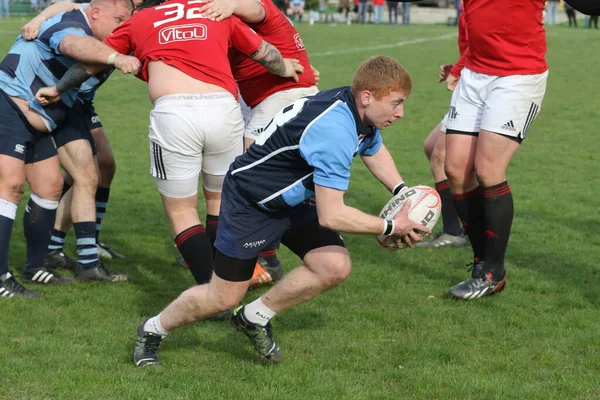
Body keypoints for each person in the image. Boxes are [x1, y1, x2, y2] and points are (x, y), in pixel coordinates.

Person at [127, 55, 430, 367]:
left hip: (294, 199)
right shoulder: (334, 130)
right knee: (222, 298)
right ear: (367, 97)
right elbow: (332, 215)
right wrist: (392, 226)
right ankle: (152, 330)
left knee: (333, 266)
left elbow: (372, 148)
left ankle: (254, 317)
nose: (401, 113)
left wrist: (402, 192)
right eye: (396, 103)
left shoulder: (357, 112)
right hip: (251, 203)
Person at [36, 0, 303, 290]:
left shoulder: (141, 19)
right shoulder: (212, 10)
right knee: (218, 202)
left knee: (181, 211)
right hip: (223, 109)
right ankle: (224, 280)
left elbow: (90, 62)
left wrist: (57, 88)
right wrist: (286, 65)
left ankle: (212, 292)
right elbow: (263, 51)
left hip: (175, 112)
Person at [0, 0, 138, 295]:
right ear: (97, 12)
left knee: (50, 186)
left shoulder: (105, 25)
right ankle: (1, 277)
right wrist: (115, 57)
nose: (123, 24)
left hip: (47, 117)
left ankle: (36, 267)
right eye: (119, 18)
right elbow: (74, 43)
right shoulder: (69, 25)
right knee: (11, 186)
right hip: (10, 102)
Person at [201, 0, 318, 287]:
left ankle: (257, 256)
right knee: (250, 179)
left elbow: (258, 8)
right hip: (263, 99)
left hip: (282, 97)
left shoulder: (254, 9)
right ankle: (259, 254)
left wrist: (230, 5)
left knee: (247, 177)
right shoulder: (231, 24)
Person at [444, 0, 548, 299]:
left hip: (518, 75)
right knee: (455, 169)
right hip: (475, 74)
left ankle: (494, 271)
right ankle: (480, 263)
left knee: (488, 169)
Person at [416, 10, 467, 249]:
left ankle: (453, 231)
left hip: (479, 89)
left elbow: (486, 46)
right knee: (431, 147)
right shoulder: (468, 7)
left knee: (441, 158)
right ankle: (467, 222)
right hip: (471, 84)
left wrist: (459, 70)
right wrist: (458, 68)